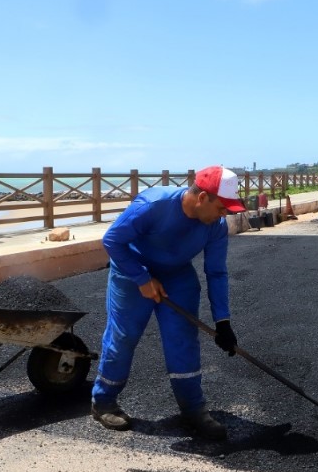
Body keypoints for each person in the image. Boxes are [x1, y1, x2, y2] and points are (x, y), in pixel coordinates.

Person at [91, 165, 246, 441]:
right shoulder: (153, 206)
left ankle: (193, 409)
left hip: (177, 275)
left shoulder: (216, 226)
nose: (225, 215)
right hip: (132, 270)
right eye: (222, 207)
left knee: (183, 338)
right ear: (202, 198)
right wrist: (142, 278)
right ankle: (103, 401)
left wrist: (223, 321)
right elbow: (113, 240)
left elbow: (217, 271)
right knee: (124, 335)